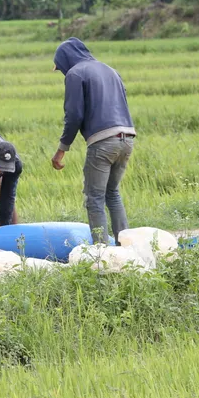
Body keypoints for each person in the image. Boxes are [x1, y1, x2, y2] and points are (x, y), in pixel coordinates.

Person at [50, 38, 136, 244]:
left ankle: (101, 251)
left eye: (61, 67)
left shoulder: (75, 73)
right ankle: (127, 247)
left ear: (66, 60)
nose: (63, 71)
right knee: (112, 193)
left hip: (103, 142)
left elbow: (74, 115)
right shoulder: (110, 70)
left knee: (94, 198)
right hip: (127, 137)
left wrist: (61, 149)